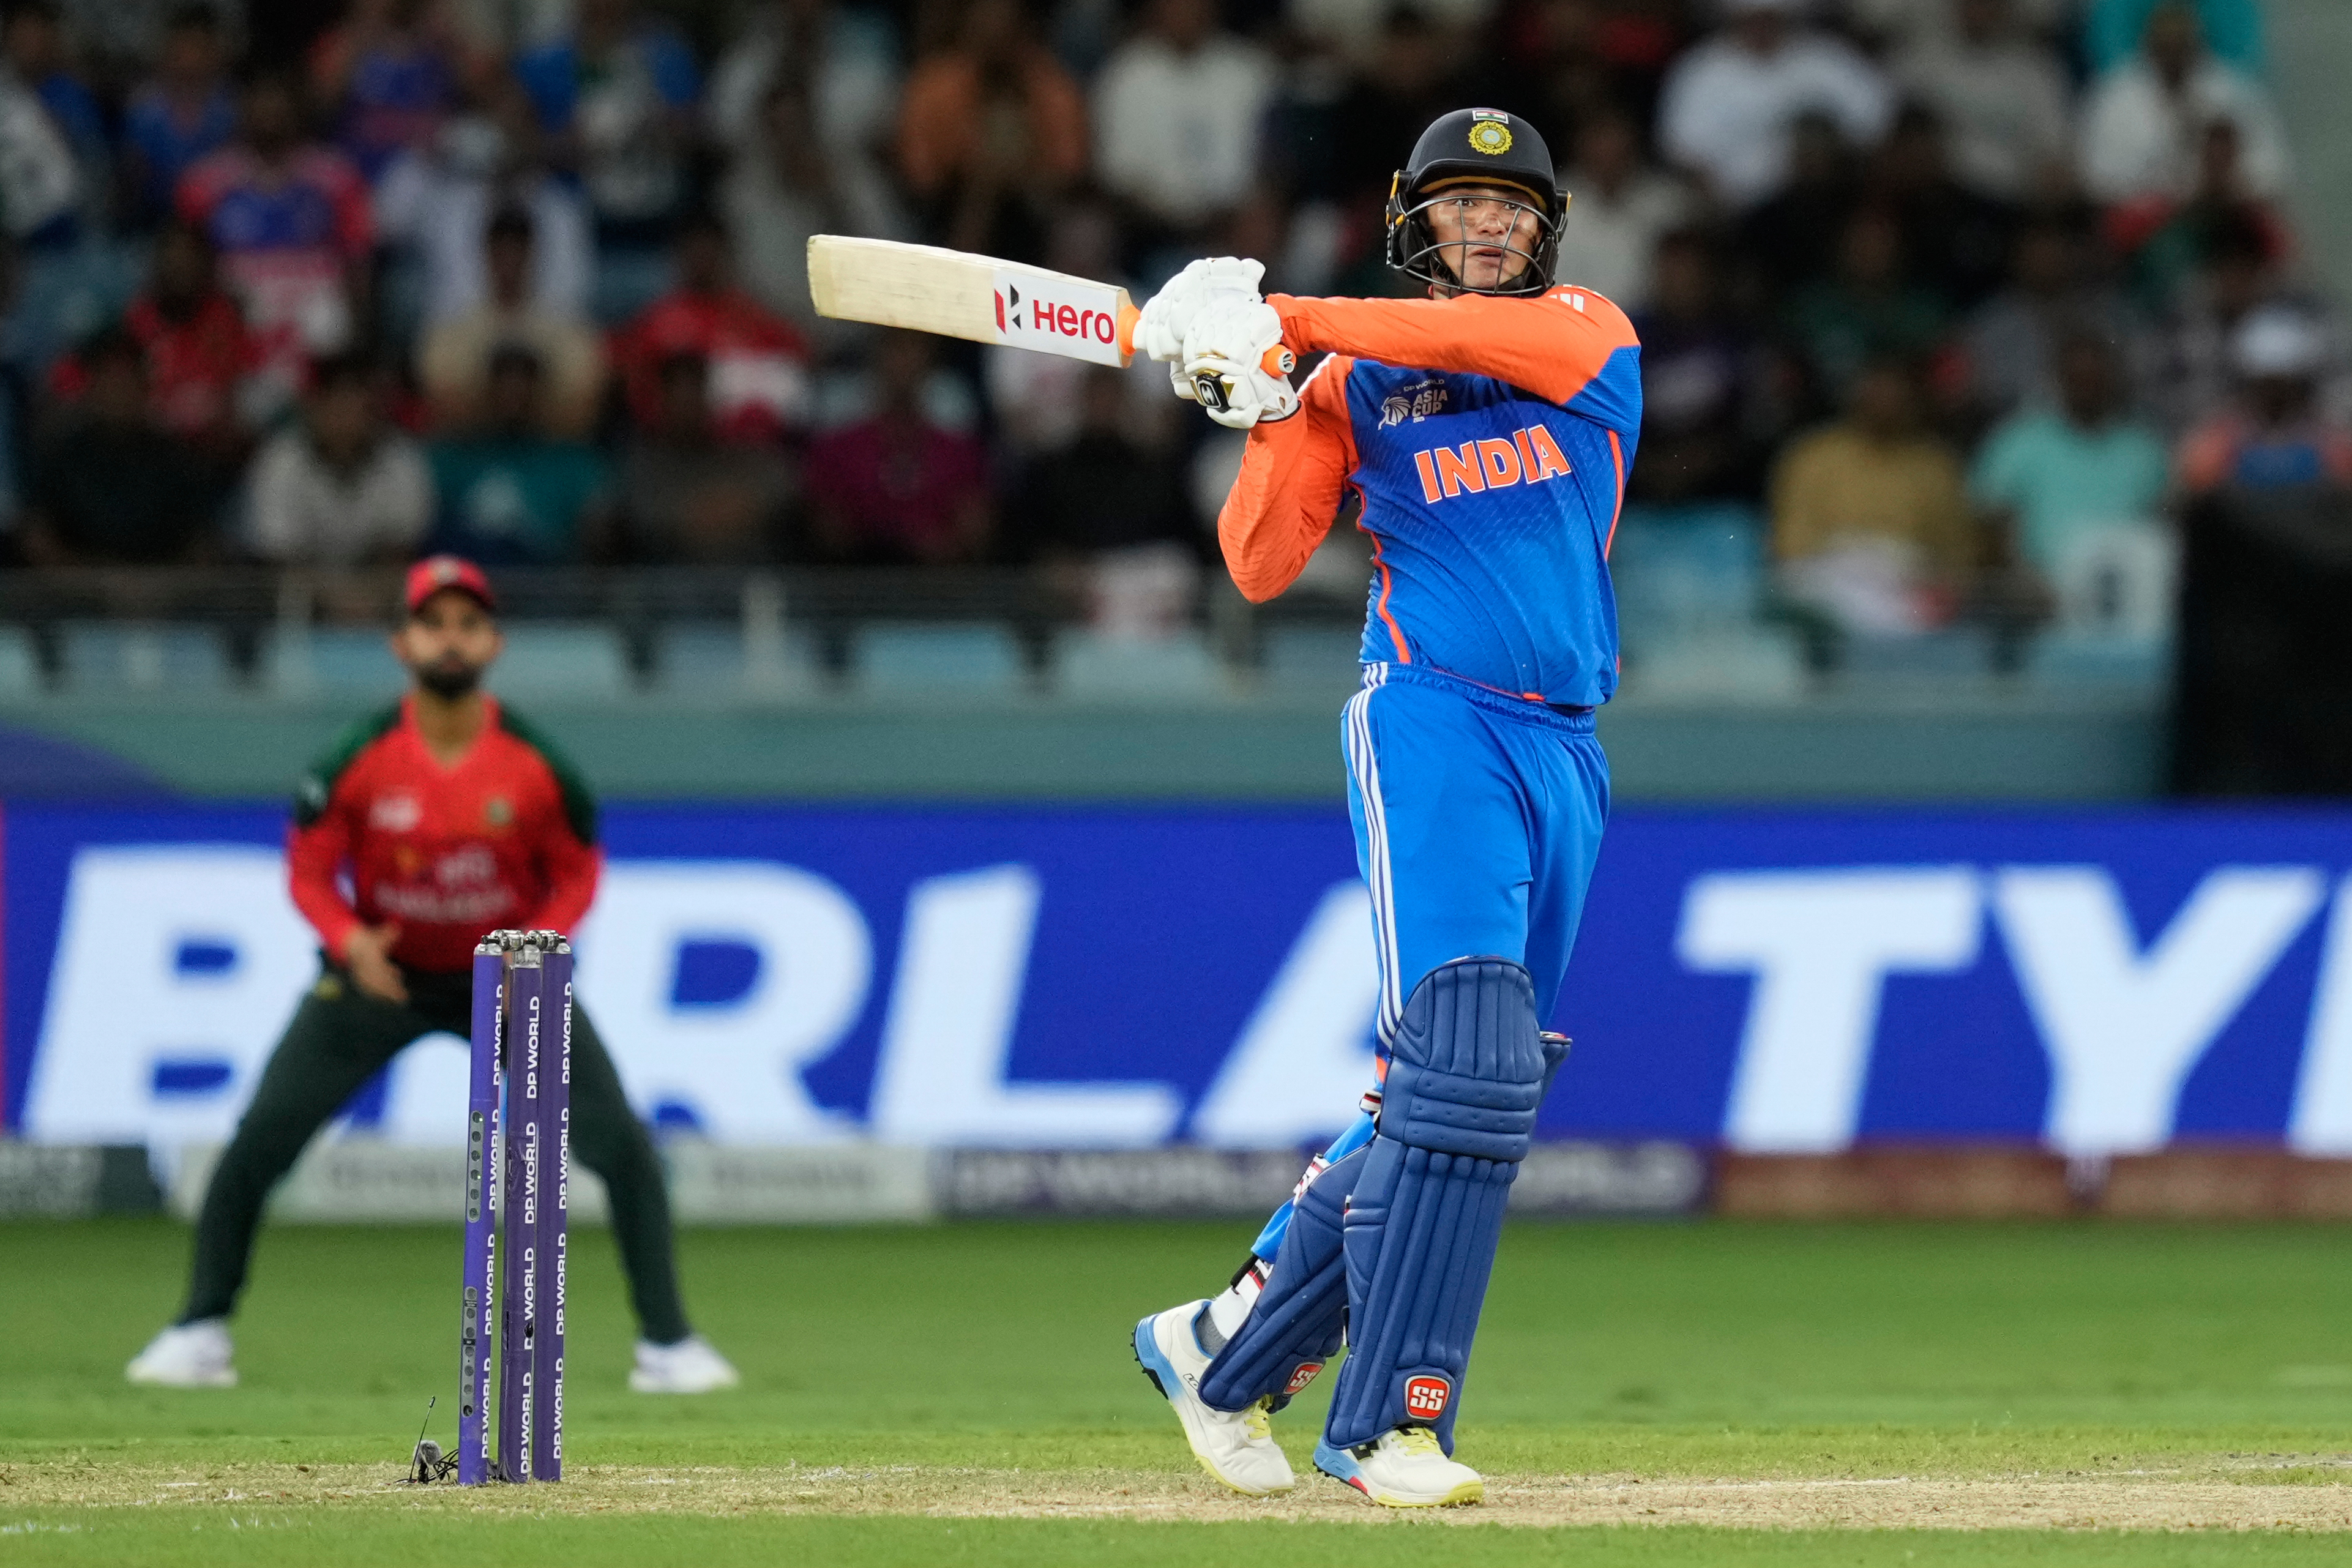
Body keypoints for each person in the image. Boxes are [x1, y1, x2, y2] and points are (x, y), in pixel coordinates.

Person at [1127, 107, 1635, 1507]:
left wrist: (1278, 313)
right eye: (1461, 204)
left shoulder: (1589, 335)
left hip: (1568, 750)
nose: (1488, 225)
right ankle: (1387, 1425)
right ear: (1417, 220)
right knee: (1467, 1065)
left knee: (1467, 1085)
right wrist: (1267, 403)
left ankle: (1222, 1346)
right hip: (1431, 718)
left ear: (1548, 232)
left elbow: (1473, 346)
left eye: (1512, 207)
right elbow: (1258, 566)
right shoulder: (1347, 383)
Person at [124, 558, 738, 1395]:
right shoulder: (359, 756)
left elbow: (578, 872)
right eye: (433, 623)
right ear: (402, 642)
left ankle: (668, 1344)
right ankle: (198, 1329)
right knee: (258, 1142)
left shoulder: (534, 764)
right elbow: (308, 868)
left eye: (466, 624)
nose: (450, 639)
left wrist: (538, 947)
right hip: (384, 977)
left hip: (511, 980)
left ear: (492, 641)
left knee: (623, 1150)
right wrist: (348, 941)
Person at [1770, 358, 1976, 635]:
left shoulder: (1936, 466)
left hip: (1906, 580)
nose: (1885, 406)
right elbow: (1791, 545)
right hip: (1827, 575)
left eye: (1895, 397)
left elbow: (1956, 553)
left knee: (1923, 616)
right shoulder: (1814, 455)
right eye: (1876, 396)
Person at [176, 69, 374, 355]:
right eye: (261, 106)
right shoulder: (205, 183)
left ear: (298, 111)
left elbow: (358, 257)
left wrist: (359, 327)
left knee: (328, 323)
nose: (270, 115)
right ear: (244, 111)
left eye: (278, 107)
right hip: (238, 301)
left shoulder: (338, 178)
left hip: (314, 298)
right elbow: (187, 257)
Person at [1656, 0, 1892, 212]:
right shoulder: (1698, 70)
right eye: (1752, 18)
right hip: (1731, 213)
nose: (1761, 28)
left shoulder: (1829, 60)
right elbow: (1682, 152)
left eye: (1769, 17)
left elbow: (1875, 126)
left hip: (1826, 204)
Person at [21, 327, 215, 565]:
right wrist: (95, 582)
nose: (118, 390)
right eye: (108, 379)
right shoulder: (61, 456)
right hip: (77, 592)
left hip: (162, 592)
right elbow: (38, 538)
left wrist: (156, 588)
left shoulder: (177, 460)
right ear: (91, 387)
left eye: (127, 379)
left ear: (145, 386)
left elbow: (202, 545)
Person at [418, 204, 605, 438]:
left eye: (518, 250)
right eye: (500, 251)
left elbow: (585, 411)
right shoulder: (451, 332)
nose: (509, 261)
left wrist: (511, 408)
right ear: (486, 254)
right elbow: (440, 409)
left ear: (533, 254)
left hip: (549, 455)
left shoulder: (570, 331)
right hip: (473, 453)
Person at [427, 344, 612, 562]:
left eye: (522, 392)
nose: (513, 401)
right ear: (487, 394)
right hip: (467, 583)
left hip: (546, 584)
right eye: (504, 391)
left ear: (539, 396)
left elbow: (598, 538)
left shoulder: (572, 463)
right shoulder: (452, 460)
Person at [246, 351, 433, 566]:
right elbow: (281, 556)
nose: (343, 414)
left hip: (383, 591)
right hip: (301, 591)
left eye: (353, 402)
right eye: (333, 401)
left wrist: (364, 595)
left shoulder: (401, 458)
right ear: (312, 406)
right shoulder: (281, 460)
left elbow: (402, 551)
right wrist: (332, 596)